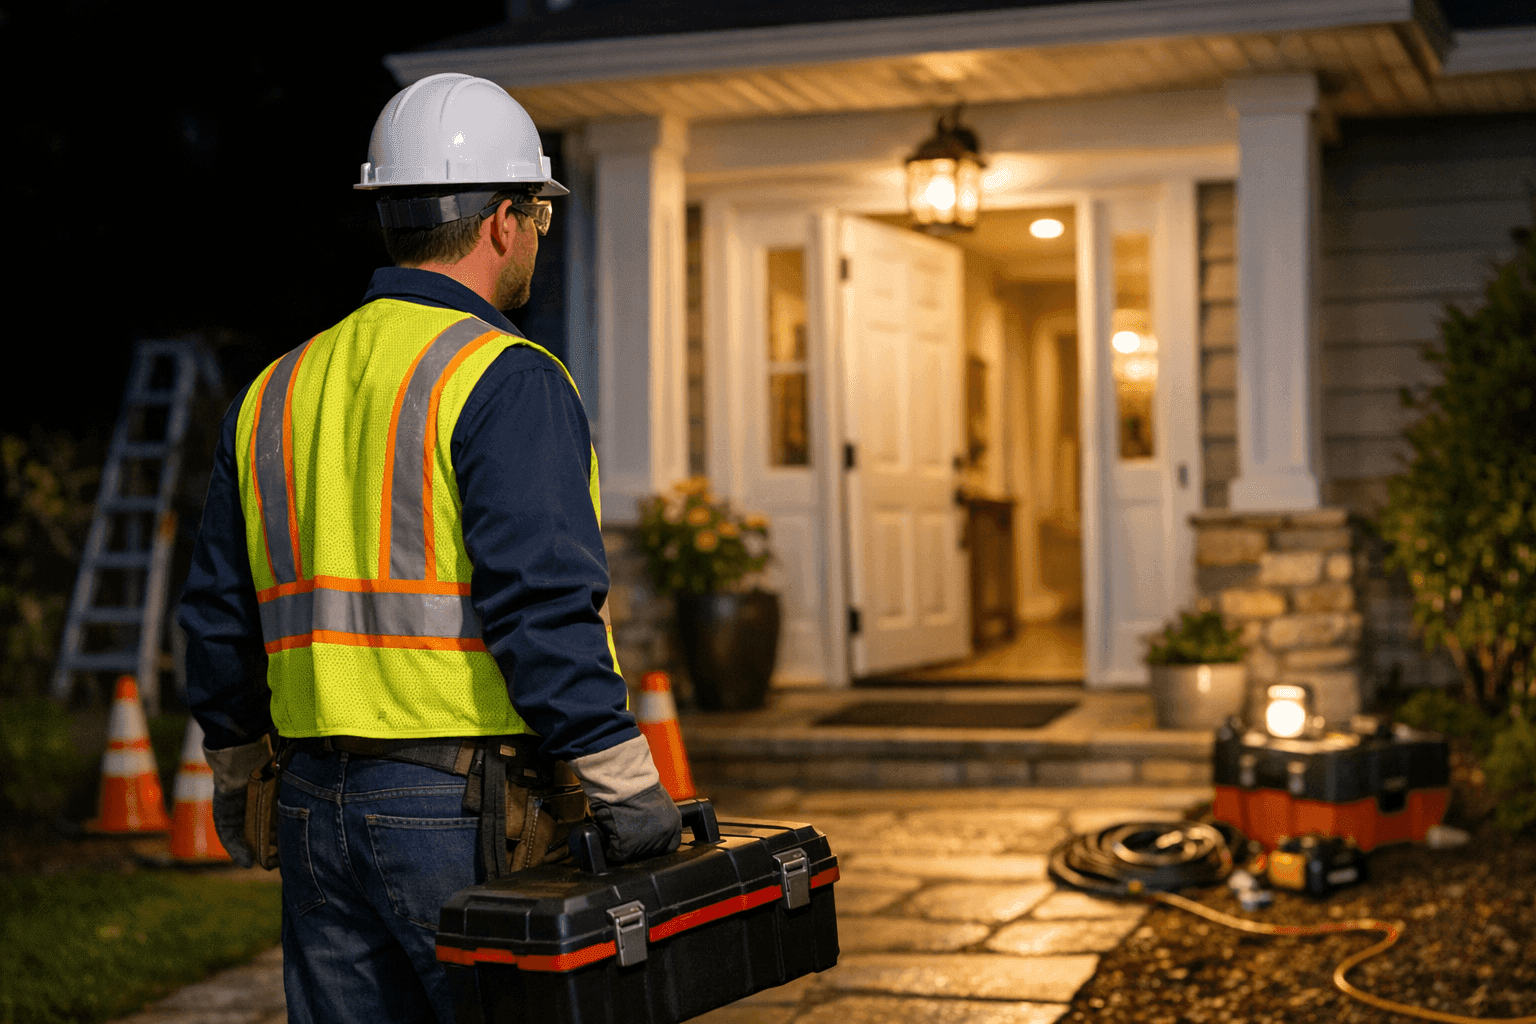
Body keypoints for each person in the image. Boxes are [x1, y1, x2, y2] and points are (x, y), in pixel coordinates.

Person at [176, 73, 682, 1024]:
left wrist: (239, 771)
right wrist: (623, 781)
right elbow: (540, 605)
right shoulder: (506, 377)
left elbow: (216, 614)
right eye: (538, 214)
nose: (539, 236)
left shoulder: (274, 389)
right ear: (502, 221)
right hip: (453, 807)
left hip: (309, 799)